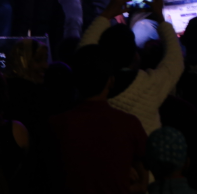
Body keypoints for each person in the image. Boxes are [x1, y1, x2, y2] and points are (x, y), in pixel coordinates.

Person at [79, 0, 186, 136]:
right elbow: (175, 60)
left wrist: (106, 14)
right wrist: (160, 17)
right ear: (136, 57)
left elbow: (84, 51)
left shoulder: (92, 80)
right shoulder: (149, 84)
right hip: (143, 149)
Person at [50, 44, 148, 194]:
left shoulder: (55, 125)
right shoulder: (129, 124)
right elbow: (144, 176)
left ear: (75, 80)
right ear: (111, 81)